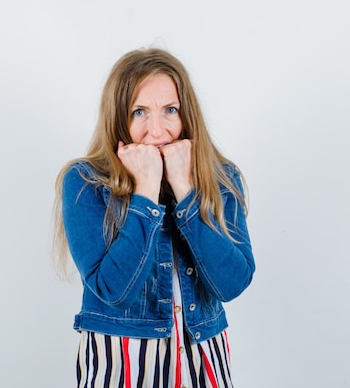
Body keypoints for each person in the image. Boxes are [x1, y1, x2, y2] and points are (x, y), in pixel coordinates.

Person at [52, 48, 255, 388]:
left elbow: (232, 283)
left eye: (170, 110)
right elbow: (114, 291)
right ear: (118, 119)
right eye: (140, 112)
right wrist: (145, 190)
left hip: (202, 353)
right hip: (122, 357)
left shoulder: (222, 178)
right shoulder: (85, 181)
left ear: (186, 115)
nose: (157, 130)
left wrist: (185, 190)